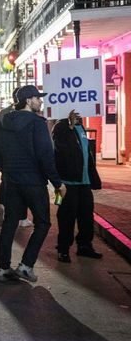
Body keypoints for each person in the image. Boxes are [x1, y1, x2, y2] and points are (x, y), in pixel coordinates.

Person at [0, 85, 66, 283]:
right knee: (43, 222)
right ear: (27, 101)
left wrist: (8, 171)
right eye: (37, 98)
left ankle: (3, 268)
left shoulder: (3, 122)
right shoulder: (36, 123)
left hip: (11, 181)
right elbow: (45, 155)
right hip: (33, 182)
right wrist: (57, 183)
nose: (40, 101)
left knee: (9, 223)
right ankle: (25, 265)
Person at [52, 109, 103, 263]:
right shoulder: (60, 127)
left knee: (87, 216)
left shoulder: (80, 128)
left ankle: (85, 246)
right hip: (67, 184)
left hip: (84, 182)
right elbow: (60, 147)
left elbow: (86, 154)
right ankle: (63, 249)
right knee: (66, 217)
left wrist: (93, 177)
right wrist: (69, 125)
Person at [0, 87, 32, 228]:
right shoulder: (27, 115)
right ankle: (21, 217)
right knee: (23, 188)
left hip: (6, 157)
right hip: (24, 158)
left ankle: (2, 205)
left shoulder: (3, 114)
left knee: (6, 182)